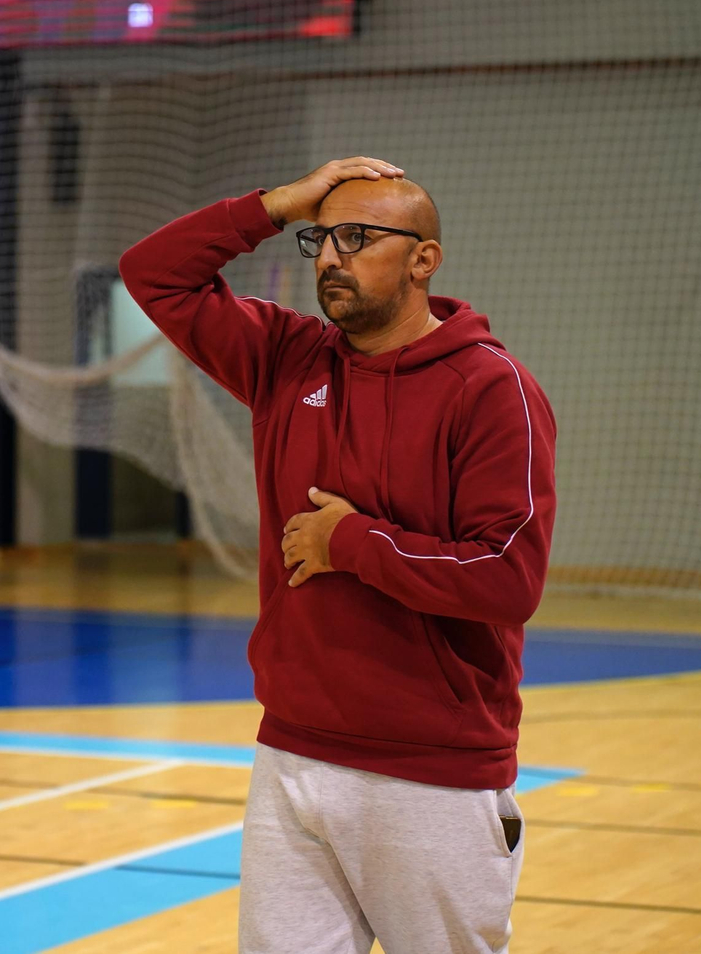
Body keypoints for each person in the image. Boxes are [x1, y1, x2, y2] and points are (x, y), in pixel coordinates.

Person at [119, 157, 557, 954]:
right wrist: (279, 203)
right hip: (292, 752)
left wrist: (351, 543)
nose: (328, 256)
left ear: (423, 260)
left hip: (431, 773)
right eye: (320, 238)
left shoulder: (491, 387)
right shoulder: (286, 359)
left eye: (356, 238)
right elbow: (153, 274)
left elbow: (507, 576)